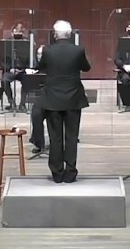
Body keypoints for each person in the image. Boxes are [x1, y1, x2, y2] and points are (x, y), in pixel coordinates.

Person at [37, 20, 91, 183]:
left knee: (55, 137)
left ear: (55, 34)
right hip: (73, 98)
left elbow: (41, 67)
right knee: (72, 136)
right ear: (70, 34)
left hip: (53, 99)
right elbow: (86, 67)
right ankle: (70, 172)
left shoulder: (47, 50)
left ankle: (57, 173)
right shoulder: (78, 50)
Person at [0, 22, 29, 112]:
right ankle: (11, 103)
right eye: (16, 31)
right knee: (4, 80)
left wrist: (24, 68)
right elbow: (1, 60)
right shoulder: (6, 43)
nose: (18, 34)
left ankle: (22, 104)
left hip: (22, 70)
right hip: (10, 70)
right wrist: (10, 68)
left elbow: (30, 58)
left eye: (20, 32)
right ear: (12, 32)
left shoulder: (26, 42)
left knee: (28, 80)